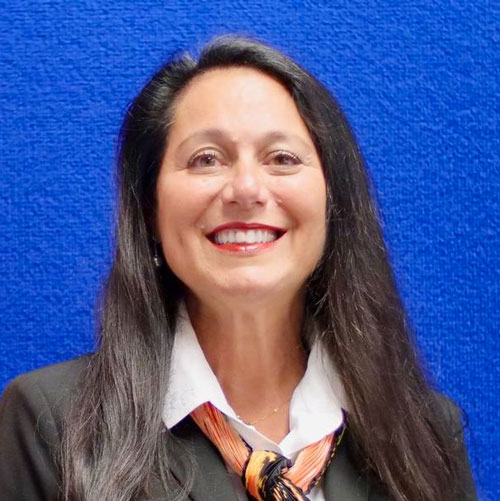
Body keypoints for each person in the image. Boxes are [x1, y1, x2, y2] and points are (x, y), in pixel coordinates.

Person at [0, 35, 476, 501]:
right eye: (206, 159)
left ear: (334, 203)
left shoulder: (425, 434)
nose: (246, 189)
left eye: (282, 158)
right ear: (150, 209)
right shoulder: (52, 425)